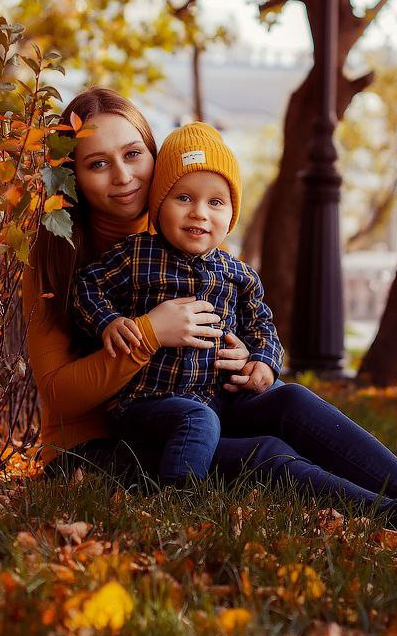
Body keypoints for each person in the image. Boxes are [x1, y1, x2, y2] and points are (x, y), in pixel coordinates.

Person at [23, 86, 397, 556]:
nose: (122, 176)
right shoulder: (56, 259)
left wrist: (246, 357)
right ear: (72, 177)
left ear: (154, 158)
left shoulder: (179, 229)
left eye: (133, 154)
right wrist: (149, 333)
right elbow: (60, 396)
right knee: (268, 454)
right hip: (101, 447)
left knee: (289, 400)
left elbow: (239, 312)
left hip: (195, 406)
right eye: (97, 164)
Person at [71, 122, 284, 485]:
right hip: (147, 401)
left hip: (215, 398)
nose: (199, 212)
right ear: (159, 205)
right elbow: (86, 285)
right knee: (198, 420)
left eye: (215, 202)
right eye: (184, 198)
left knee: (272, 405)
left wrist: (264, 360)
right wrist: (109, 321)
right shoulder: (137, 255)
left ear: (231, 214)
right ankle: (176, 498)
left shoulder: (239, 274)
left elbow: (262, 326)